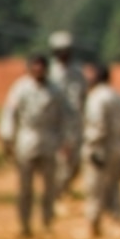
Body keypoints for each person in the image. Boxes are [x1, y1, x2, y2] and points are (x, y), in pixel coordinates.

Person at [0, 53, 76, 239]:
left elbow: (66, 117)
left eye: (41, 66)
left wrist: (67, 141)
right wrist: (7, 138)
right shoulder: (20, 88)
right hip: (26, 140)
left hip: (49, 140)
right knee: (25, 188)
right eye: (35, 66)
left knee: (49, 187)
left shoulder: (56, 91)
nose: (38, 70)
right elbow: (10, 113)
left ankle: (47, 223)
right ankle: (24, 225)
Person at [80, 61, 120, 239]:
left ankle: (92, 227)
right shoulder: (119, 96)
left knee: (94, 189)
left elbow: (98, 126)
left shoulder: (96, 98)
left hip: (100, 150)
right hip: (118, 148)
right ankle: (119, 224)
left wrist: (93, 146)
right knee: (114, 188)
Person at [48, 30, 87, 199]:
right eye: (61, 50)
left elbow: (84, 95)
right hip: (56, 124)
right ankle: (55, 194)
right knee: (60, 161)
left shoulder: (78, 72)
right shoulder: (50, 74)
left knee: (76, 162)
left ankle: (64, 187)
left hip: (76, 123)